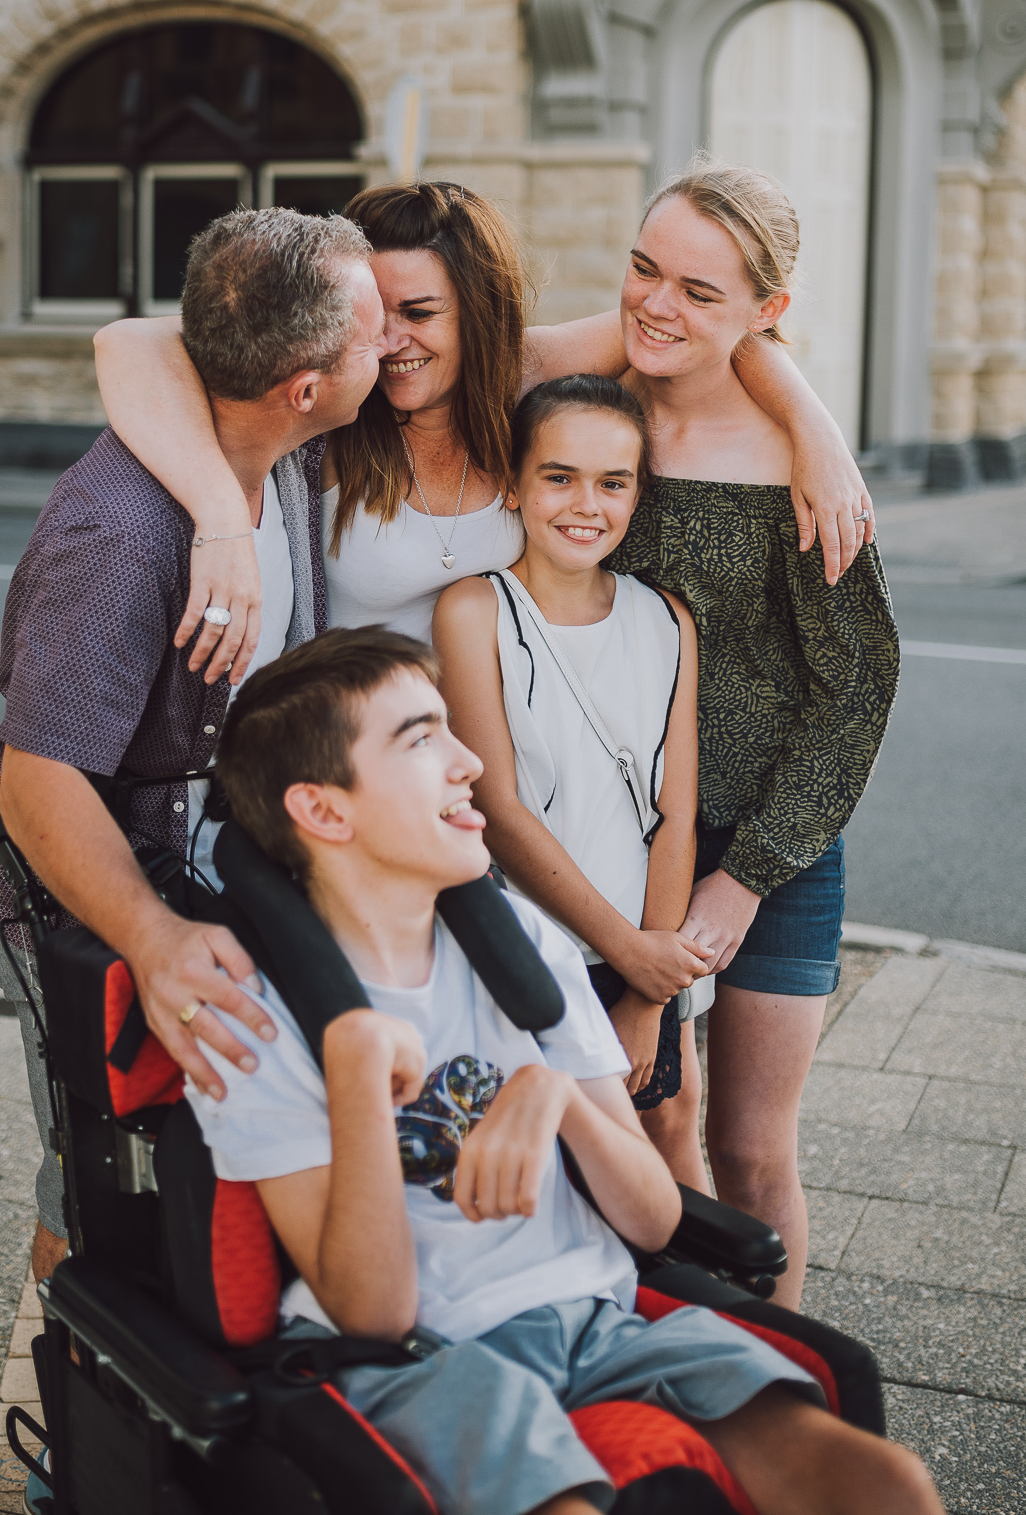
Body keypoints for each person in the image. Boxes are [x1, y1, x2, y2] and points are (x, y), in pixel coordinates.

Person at [187, 628, 941, 1515]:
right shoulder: (256, 1020)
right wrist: (353, 1073)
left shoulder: (522, 947)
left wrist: (551, 1095)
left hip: (599, 1321)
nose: (468, 761)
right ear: (324, 811)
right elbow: (371, 1314)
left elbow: (654, 1219)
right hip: (426, 1360)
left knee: (882, 1484)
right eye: (421, 739)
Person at [0, 207, 385, 1288]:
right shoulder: (119, 537)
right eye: (372, 332)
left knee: (207, 1181)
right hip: (97, 906)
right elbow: (38, 779)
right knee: (99, 1187)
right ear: (305, 383)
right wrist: (150, 939)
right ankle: (65, 1444)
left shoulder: (275, 449)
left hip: (214, 878)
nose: (390, 348)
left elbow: (148, 335)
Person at [92, 181, 876, 691]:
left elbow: (704, 326)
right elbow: (127, 343)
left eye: (421, 314)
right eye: (372, 312)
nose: (387, 340)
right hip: (345, 767)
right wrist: (221, 520)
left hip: (505, 783)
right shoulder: (328, 403)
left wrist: (816, 433)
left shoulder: (523, 374)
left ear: (478, 312)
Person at [605, 163, 900, 1311]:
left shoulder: (796, 465)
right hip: (617, 837)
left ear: (766, 314)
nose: (654, 304)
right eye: (641, 267)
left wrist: (744, 878)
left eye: (697, 289)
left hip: (774, 847)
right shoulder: (595, 414)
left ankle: (784, 1383)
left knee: (750, 1144)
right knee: (646, 1118)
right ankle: (691, 1351)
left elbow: (856, 688)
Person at [433, 374, 711, 1191]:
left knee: (667, 1139)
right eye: (559, 477)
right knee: (554, 1165)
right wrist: (630, 956)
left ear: (635, 495)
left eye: (612, 482)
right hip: (535, 956)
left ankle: (699, 1319)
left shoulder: (665, 618)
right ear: (514, 486)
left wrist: (646, 994)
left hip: (642, 958)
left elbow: (676, 813)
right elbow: (499, 806)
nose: (585, 503)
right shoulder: (474, 609)